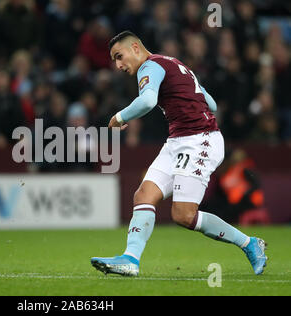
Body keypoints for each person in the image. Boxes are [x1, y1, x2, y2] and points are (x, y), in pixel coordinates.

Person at [90, 31, 267, 277]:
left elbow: (148, 101)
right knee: (144, 195)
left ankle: (249, 244)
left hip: (200, 140)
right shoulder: (174, 63)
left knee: (183, 215)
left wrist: (118, 117)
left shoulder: (149, 67)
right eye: (114, 60)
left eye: (119, 56)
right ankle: (130, 259)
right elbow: (212, 103)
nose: (118, 65)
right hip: (178, 140)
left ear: (135, 48)